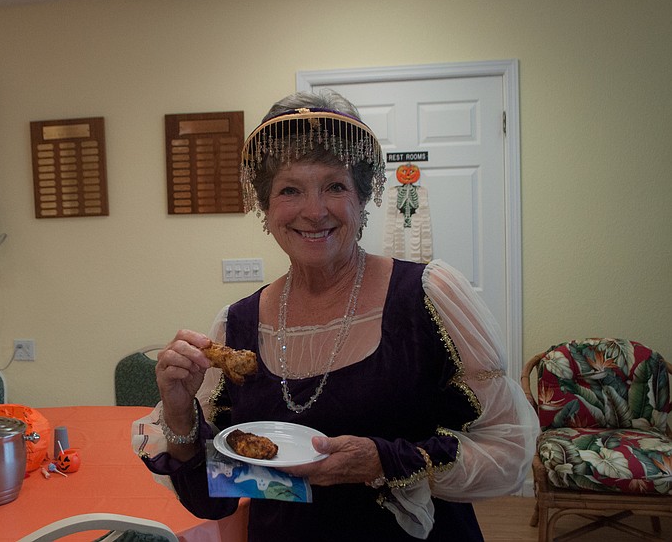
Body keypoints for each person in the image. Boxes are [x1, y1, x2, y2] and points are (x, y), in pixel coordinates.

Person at [133, 89, 537, 541]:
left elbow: (508, 450)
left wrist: (383, 461)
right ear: (266, 209)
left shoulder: (429, 295)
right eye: (290, 190)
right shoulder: (236, 325)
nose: (314, 210)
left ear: (362, 199)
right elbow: (214, 497)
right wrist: (180, 411)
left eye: (335, 186)